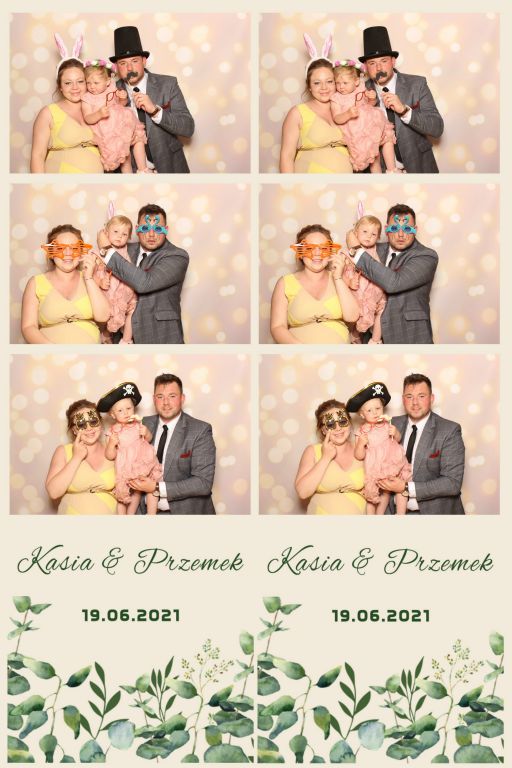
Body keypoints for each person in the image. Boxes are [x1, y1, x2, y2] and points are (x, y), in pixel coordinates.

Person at [97, 204, 189, 344]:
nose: (151, 234)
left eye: (158, 229)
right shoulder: (123, 249)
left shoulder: (177, 256)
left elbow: (144, 283)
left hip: (161, 338)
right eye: (145, 228)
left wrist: (106, 249)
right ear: (136, 229)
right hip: (119, 339)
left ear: (166, 230)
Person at [348, 204, 438, 344]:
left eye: (407, 229)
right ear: (386, 229)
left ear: (415, 230)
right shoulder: (372, 249)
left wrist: (355, 249)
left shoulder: (426, 256)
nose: (401, 234)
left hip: (409, 337)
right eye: (395, 228)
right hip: (368, 338)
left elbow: (393, 283)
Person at [129, 373, 216, 515]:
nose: (166, 402)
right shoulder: (143, 424)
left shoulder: (200, 430)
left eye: (172, 396)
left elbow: (203, 483)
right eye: (160, 397)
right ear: (154, 399)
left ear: (182, 398)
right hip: (144, 513)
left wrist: (156, 487)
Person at [110, 26, 194, 173]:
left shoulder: (168, 84)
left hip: (171, 169)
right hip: (133, 174)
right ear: (117, 67)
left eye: (134, 61)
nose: (129, 68)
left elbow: (188, 128)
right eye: (123, 63)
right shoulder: (110, 92)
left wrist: (155, 111)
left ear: (144, 61)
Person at [360, 26, 444, 173]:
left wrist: (405, 111)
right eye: (372, 63)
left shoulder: (417, 84)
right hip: (382, 174)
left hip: (420, 169)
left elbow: (437, 128)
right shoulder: (360, 92)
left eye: (384, 61)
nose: (378, 68)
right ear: (366, 67)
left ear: (393, 61)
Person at [380, 374, 466, 515]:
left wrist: (406, 488)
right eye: (409, 396)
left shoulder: (449, 430)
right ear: (403, 399)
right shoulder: (391, 424)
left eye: (421, 396)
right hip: (393, 512)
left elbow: (452, 483)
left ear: (431, 398)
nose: (415, 402)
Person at [21, 224, 111, 344]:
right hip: (49, 353)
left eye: (74, 248)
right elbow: (28, 327)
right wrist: (53, 350)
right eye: (60, 248)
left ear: (81, 252)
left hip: (89, 353)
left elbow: (103, 317)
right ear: (51, 252)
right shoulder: (35, 283)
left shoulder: (91, 279)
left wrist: (89, 278)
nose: (68, 253)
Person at [270, 224, 359, 344]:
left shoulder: (340, 279)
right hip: (299, 353)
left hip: (339, 353)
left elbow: (352, 317)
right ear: (300, 252)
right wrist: (302, 350)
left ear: (330, 252)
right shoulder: (284, 283)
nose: (317, 253)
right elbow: (277, 327)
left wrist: (338, 278)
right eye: (309, 248)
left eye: (323, 248)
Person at [30, 35, 103, 174]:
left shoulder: (97, 110)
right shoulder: (48, 113)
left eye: (80, 81)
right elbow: (37, 156)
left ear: (87, 82)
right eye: (68, 83)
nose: (75, 87)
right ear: (60, 87)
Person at [279, 34, 352, 174]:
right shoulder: (297, 113)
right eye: (317, 83)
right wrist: (289, 185)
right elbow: (286, 157)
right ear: (309, 86)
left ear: (336, 82)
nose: (324, 88)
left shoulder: (347, 110)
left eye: (329, 81)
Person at [97, 382, 162, 515]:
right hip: (125, 466)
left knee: (138, 490)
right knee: (122, 495)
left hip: (142, 461)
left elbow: (148, 439)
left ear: (134, 408)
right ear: (113, 415)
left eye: (128, 408)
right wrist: (111, 444)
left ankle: (133, 515)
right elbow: (110, 455)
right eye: (120, 411)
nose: (126, 413)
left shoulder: (138, 424)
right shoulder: (113, 431)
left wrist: (146, 433)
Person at [347, 382, 411, 515]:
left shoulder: (387, 424)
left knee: (393, 489)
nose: (375, 413)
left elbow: (397, 439)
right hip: (375, 466)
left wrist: (396, 433)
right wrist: (360, 444)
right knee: (372, 496)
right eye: (369, 411)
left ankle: (398, 514)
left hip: (392, 461)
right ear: (362, 415)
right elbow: (359, 455)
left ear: (383, 408)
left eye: (378, 408)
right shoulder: (362, 431)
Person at [295, 400, 366, 515]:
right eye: (330, 424)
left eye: (342, 421)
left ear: (349, 423)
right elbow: (303, 492)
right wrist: (325, 458)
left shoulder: (362, 448)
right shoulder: (312, 451)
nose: (338, 428)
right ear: (323, 430)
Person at [45, 400, 116, 515]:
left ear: (101, 424)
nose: (89, 428)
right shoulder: (63, 451)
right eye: (81, 424)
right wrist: (76, 458)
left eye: (93, 421)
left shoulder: (112, 449)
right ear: (74, 430)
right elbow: (53, 492)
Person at [81, 59, 150, 173]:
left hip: (123, 124)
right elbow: (87, 118)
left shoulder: (111, 89)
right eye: (88, 83)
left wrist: (122, 98)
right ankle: (127, 177)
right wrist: (98, 114)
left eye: (96, 83)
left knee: (138, 139)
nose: (92, 86)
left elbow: (121, 105)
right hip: (107, 132)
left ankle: (143, 169)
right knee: (122, 156)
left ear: (108, 82)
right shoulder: (87, 98)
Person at [330, 59, 399, 173]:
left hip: (372, 125)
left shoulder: (361, 89)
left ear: (356, 81)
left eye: (345, 83)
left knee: (388, 138)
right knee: (372, 157)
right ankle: (377, 177)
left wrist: (372, 98)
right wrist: (348, 114)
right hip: (356, 132)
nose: (341, 87)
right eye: (337, 83)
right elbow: (337, 118)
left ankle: (392, 170)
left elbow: (370, 105)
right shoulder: (336, 98)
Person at [94, 207, 137, 344]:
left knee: (132, 311)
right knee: (106, 315)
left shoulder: (128, 250)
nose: (120, 236)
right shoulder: (100, 252)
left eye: (124, 234)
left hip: (125, 290)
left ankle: (126, 340)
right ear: (106, 233)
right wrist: (99, 282)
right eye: (116, 232)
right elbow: (90, 274)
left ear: (128, 237)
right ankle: (106, 336)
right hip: (108, 290)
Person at [343, 214, 386, 344]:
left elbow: (378, 269)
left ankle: (375, 340)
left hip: (374, 290)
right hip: (357, 290)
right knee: (356, 315)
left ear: (378, 238)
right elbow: (340, 274)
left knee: (382, 311)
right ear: (356, 233)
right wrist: (349, 282)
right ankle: (354, 336)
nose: (369, 236)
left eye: (373, 234)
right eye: (365, 232)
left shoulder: (377, 251)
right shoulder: (349, 252)